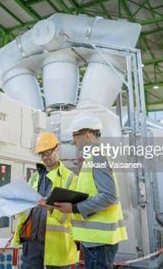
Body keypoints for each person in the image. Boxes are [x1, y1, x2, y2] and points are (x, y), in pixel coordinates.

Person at [53, 113, 127, 268]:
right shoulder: (93, 158)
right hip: (95, 241)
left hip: (99, 242)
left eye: (75, 135)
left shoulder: (98, 157)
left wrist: (74, 208)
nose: (73, 141)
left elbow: (109, 196)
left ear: (87, 135)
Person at [12, 132, 79, 269]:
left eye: (47, 152)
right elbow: (27, 210)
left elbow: (75, 215)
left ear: (57, 148)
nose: (44, 157)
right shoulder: (34, 177)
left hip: (57, 245)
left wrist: (53, 208)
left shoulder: (70, 178)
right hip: (32, 243)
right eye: (41, 154)